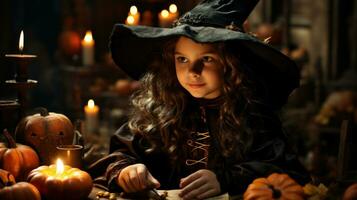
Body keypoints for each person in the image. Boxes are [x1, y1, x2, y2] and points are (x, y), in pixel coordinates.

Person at [89, 0, 311, 199]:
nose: (193, 71)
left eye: (206, 59)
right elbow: (120, 154)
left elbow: (287, 174)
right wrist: (126, 170)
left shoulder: (253, 115)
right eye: (182, 59)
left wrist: (226, 179)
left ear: (230, 65)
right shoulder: (160, 109)